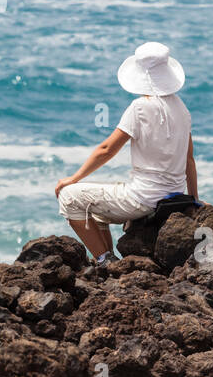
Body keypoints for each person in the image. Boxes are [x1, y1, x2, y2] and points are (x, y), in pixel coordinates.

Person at [54, 41, 197, 266]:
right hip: (172, 196)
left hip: (142, 199)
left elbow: (107, 149)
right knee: (94, 209)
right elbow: (189, 160)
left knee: (70, 197)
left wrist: (73, 179)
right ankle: (108, 260)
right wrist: (192, 201)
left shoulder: (139, 107)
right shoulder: (182, 108)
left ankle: (104, 260)